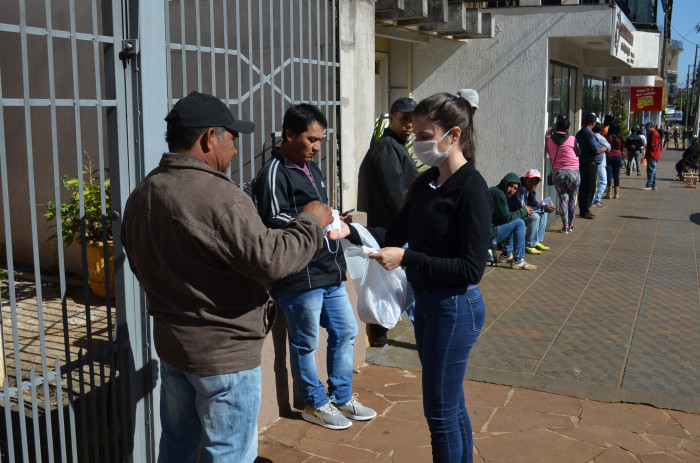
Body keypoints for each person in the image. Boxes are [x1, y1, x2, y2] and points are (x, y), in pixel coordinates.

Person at [119, 92, 333, 463]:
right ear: (208, 139)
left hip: (173, 348)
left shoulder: (143, 192)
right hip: (224, 358)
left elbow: (138, 261)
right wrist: (311, 221)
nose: (235, 151)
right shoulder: (222, 198)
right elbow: (271, 260)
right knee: (229, 454)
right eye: (231, 139)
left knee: (177, 446)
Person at [362, 92, 493, 462]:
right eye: (414, 134)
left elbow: (471, 269)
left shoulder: (472, 189)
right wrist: (350, 232)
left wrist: (407, 258)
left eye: (424, 134)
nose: (416, 143)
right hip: (430, 305)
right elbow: (393, 234)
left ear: (453, 135)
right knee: (451, 406)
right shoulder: (426, 185)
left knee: (440, 414)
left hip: (454, 307)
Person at [253, 104, 377, 430]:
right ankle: (314, 403)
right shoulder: (273, 173)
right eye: (311, 140)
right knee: (305, 343)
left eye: (320, 140)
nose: (317, 147)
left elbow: (321, 210)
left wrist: (334, 219)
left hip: (329, 272)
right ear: (289, 135)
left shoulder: (312, 167)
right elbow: (272, 221)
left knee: (346, 330)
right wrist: (314, 221)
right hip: (300, 277)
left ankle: (341, 395)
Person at [357, 97, 419, 346]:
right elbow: (396, 195)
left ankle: (383, 333)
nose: (409, 125)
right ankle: (425, 335)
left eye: (412, 121)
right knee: (411, 287)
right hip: (396, 231)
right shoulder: (386, 147)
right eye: (404, 119)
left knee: (402, 286)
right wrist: (411, 225)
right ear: (391, 118)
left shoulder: (396, 146)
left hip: (399, 230)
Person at [490, 173, 537, 270]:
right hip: (487, 233)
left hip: (485, 231)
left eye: (515, 188)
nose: (512, 190)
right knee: (519, 223)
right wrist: (523, 211)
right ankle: (518, 260)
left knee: (515, 220)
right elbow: (507, 217)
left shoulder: (497, 191)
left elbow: (506, 217)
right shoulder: (499, 194)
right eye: (511, 186)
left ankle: (506, 255)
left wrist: (522, 212)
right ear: (505, 183)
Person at [545, 115, 580, 233]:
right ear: (566, 129)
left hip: (558, 173)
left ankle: (564, 226)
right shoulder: (572, 139)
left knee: (563, 199)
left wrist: (550, 133)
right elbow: (578, 152)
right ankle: (571, 225)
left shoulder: (548, 139)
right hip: (573, 172)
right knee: (572, 198)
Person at [508, 169, 555, 255]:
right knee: (535, 217)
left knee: (543, 213)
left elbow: (534, 204)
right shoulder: (521, 189)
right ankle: (528, 245)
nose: (534, 185)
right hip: (515, 216)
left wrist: (543, 207)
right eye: (531, 182)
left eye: (536, 183)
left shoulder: (531, 189)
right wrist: (543, 207)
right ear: (526, 179)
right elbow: (524, 209)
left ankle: (536, 240)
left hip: (522, 214)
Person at [575, 113, 606, 219]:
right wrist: (604, 148)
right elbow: (597, 149)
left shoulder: (580, 133)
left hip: (584, 162)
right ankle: (585, 210)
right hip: (589, 163)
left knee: (584, 187)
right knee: (589, 187)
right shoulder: (588, 133)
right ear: (593, 123)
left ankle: (583, 209)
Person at [591, 122, 610, 207]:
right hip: (600, 162)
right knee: (603, 181)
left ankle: (592, 199)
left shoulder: (589, 136)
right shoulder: (600, 137)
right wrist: (603, 149)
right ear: (600, 130)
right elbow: (609, 147)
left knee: (593, 182)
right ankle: (597, 199)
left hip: (590, 162)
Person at [604, 121, 624, 199]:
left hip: (609, 156)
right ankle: (616, 194)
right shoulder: (620, 137)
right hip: (618, 156)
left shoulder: (608, 137)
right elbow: (622, 148)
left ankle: (609, 194)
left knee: (609, 175)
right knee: (616, 175)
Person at [643, 122, 661, 190]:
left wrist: (649, 149)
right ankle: (654, 184)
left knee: (650, 170)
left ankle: (649, 185)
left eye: (647, 129)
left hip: (652, 155)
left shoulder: (654, 134)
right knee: (653, 170)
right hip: (653, 154)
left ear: (651, 127)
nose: (647, 130)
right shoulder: (653, 134)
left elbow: (654, 146)